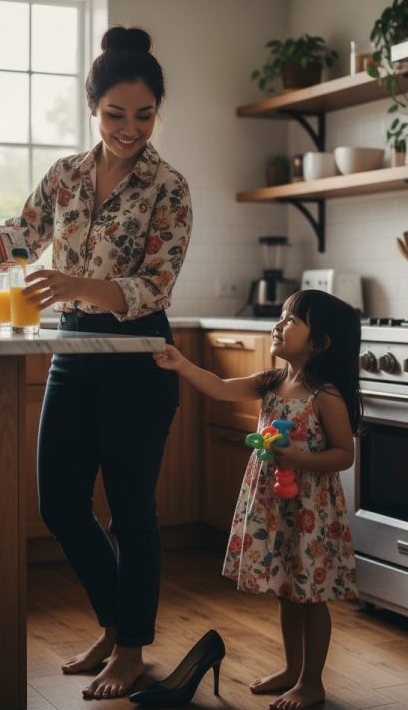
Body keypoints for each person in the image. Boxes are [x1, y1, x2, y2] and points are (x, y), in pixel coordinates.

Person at [0, 26, 192, 700]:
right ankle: (115, 625)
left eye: (144, 114)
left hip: (138, 356)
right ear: (92, 106)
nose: (130, 128)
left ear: (157, 110)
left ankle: (131, 648)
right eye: (115, 114)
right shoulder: (64, 176)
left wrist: (76, 285)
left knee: (131, 512)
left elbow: (157, 285)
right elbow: (23, 236)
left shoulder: (169, 187)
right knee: (59, 503)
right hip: (73, 352)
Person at [154, 289, 361, 710]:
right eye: (281, 316)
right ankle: (292, 669)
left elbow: (344, 454)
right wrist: (182, 364)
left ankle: (312, 681)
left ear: (320, 342)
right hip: (275, 503)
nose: (278, 325)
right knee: (287, 588)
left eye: (291, 320)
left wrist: (298, 458)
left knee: (310, 595)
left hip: (310, 509)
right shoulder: (271, 380)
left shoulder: (325, 395)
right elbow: (219, 387)